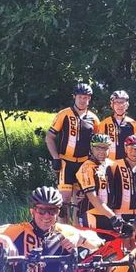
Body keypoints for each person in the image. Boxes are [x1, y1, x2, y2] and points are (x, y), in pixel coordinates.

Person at [46, 83, 100, 222]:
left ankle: (76, 236)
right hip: (65, 162)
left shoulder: (94, 119)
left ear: (89, 99)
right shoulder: (64, 114)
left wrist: (96, 162)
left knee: (80, 202)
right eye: (80, 97)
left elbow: (98, 144)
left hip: (83, 164)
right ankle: (62, 234)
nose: (83, 100)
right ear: (74, 97)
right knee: (64, 203)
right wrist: (55, 158)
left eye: (86, 97)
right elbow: (50, 137)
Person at [76, 133, 121, 231]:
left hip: (108, 215)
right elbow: (93, 198)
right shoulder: (86, 168)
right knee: (92, 245)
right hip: (92, 213)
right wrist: (113, 216)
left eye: (105, 148)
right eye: (98, 148)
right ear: (91, 148)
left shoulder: (110, 165)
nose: (101, 151)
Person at [105, 134, 136, 224]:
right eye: (131, 148)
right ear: (125, 149)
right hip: (119, 213)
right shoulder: (114, 165)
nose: (134, 152)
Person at [97, 90, 136, 161]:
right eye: (117, 102)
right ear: (112, 105)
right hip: (108, 163)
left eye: (122, 103)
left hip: (126, 164)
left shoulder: (133, 124)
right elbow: (99, 146)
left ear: (127, 105)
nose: (120, 106)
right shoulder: (104, 123)